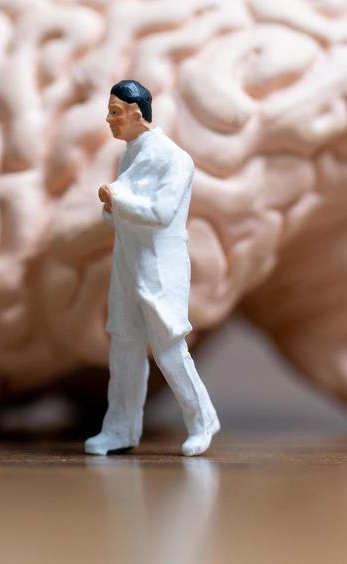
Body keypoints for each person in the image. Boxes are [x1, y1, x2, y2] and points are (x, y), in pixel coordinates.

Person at [86, 80, 220, 457]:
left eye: (114, 112)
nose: (108, 119)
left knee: (169, 348)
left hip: (161, 268)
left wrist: (118, 200)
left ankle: (203, 419)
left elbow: (161, 214)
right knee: (124, 348)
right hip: (127, 264)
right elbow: (120, 216)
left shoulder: (175, 159)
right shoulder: (126, 155)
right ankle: (120, 429)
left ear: (135, 113)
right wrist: (113, 208)